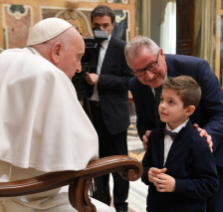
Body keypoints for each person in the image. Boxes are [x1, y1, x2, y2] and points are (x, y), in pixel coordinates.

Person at [0, 18, 114, 212]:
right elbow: (83, 158)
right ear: (57, 51)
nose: (79, 68)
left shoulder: (7, 57)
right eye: (78, 57)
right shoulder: (48, 74)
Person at [125, 36, 223, 212]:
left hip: (215, 152)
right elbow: (144, 122)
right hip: (178, 160)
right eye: (139, 72)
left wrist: (208, 135)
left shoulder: (196, 68)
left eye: (152, 66)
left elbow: (222, 112)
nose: (149, 75)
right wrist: (147, 135)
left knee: (216, 205)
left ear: (161, 54)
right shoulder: (136, 85)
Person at [142, 76, 219, 212]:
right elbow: (144, 168)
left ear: (188, 110)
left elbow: (210, 184)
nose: (162, 105)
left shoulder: (198, 142)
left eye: (171, 102)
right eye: (162, 99)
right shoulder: (154, 135)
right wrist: (148, 173)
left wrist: (177, 185)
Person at [84, 5, 133, 212]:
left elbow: (129, 81)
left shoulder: (123, 48)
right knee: (98, 165)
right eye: (97, 26)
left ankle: (121, 206)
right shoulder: (86, 46)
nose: (101, 29)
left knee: (119, 166)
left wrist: (100, 79)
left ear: (113, 25)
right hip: (91, 114)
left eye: (105, 25)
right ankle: (102, 202)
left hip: (114, 117)